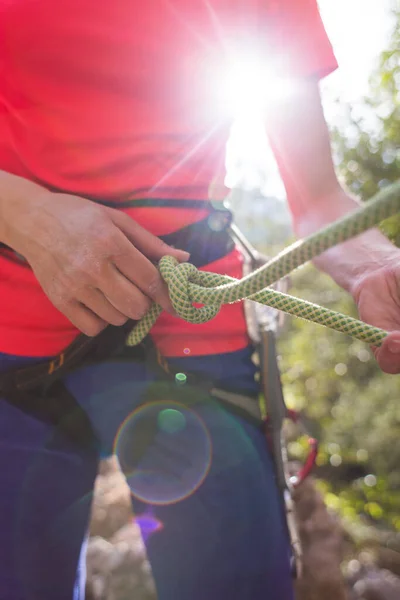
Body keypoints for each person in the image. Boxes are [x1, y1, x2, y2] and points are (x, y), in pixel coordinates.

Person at [0, 1, 399, 599]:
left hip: (194, 333)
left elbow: (318, 199)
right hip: (13, 343)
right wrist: (28, 217)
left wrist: (377, 268)